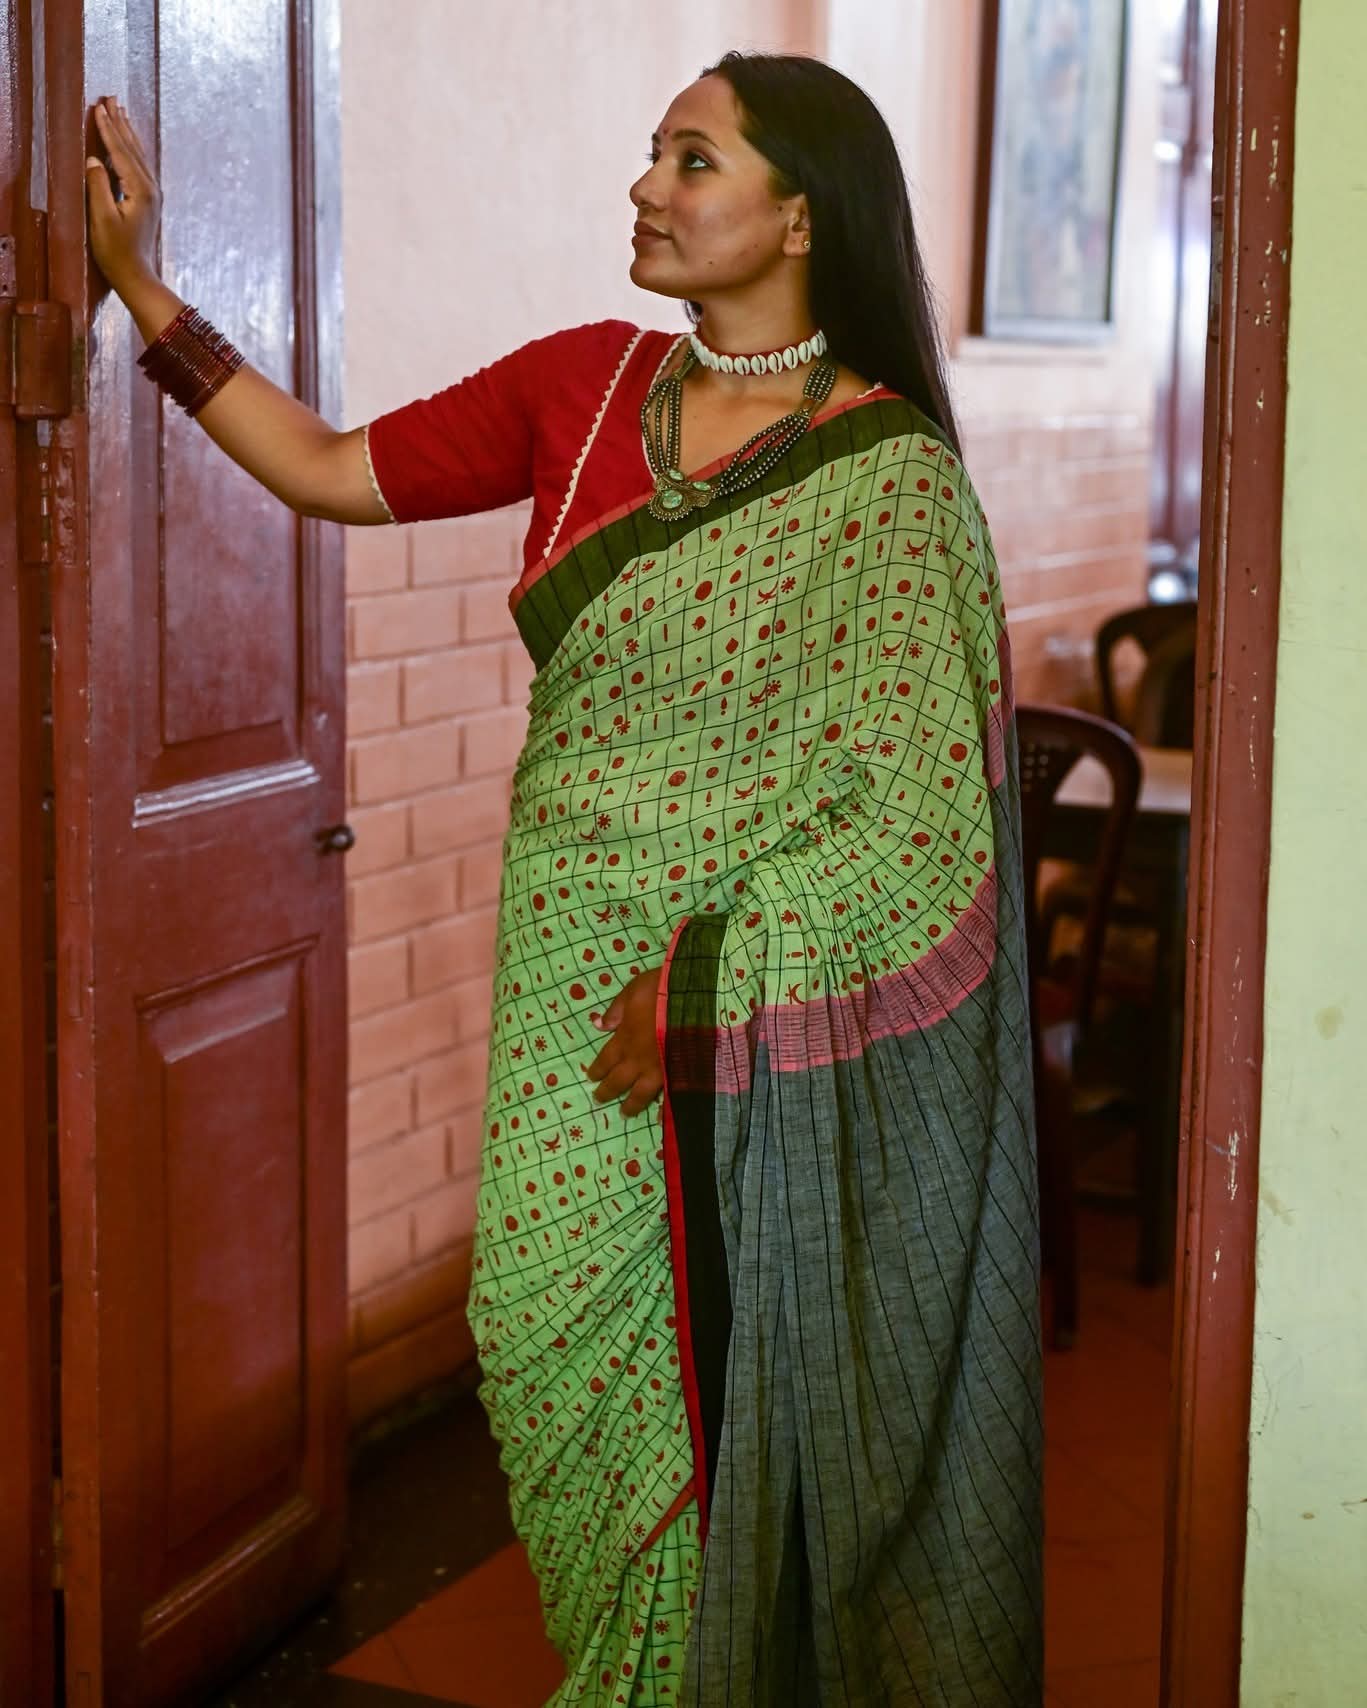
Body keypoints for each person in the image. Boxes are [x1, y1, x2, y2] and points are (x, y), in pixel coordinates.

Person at [87, 51, 1042, 1707]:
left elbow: (915, 820)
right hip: (565, 987)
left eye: (694, 158)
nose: (647, 185)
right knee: (538, 1329)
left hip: (743, 1030)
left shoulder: (889, 480)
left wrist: (713, 983)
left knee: (739, 1403)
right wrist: (143, 294)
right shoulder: (584, 388)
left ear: (800, 215)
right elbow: (327, 468)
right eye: (653, 151)